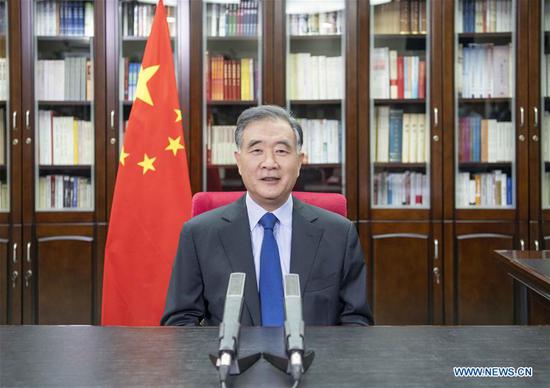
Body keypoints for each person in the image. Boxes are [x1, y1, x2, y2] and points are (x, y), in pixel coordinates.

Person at [161, 105, 373, 326]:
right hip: (231, 358)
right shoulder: (199, 235)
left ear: (299, 162)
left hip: (314, 359)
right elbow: (180, 322)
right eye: (256, 151)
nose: (270, 163)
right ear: (239, 161)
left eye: (281, 151)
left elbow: (356, 322)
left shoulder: (339, 234)